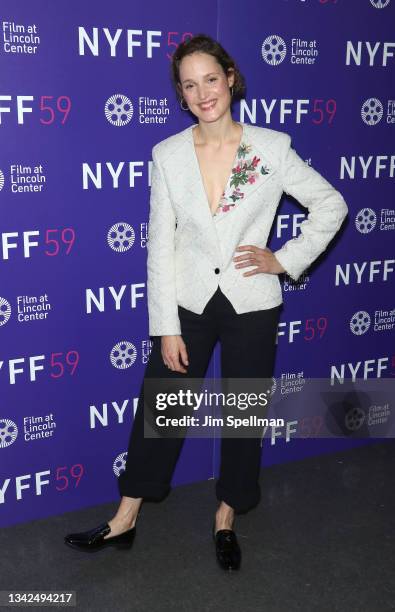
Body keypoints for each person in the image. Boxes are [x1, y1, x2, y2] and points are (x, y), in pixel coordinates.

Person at [64, 34, 348, 570]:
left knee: (243, 414)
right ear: (181, 93)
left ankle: (226, 515)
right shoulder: (168, 155)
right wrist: (164, 326)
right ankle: (125, 517)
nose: (203, 93)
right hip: (190, 301)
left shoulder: (269, 148)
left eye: (211, 79)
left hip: (251, 300)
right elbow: (160, 246)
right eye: (190, 85)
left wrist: (283, 260)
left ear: (231, 78)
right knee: (161, 409)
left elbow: (331, 204)